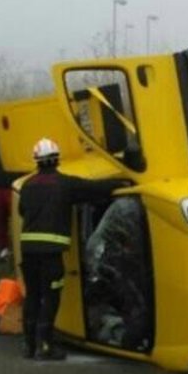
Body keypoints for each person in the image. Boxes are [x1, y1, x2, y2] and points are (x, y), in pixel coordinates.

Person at [16, 137, 129, 361]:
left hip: (28, 251)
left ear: (36, 161)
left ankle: (29, 345)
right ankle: (45, 346)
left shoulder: (28, 185)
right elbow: (95, 189)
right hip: (51, 254)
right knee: (50, 297)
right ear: (57, 159)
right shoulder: (64, 184)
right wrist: (122, 183)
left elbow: (22, 210)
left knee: (33, 296)